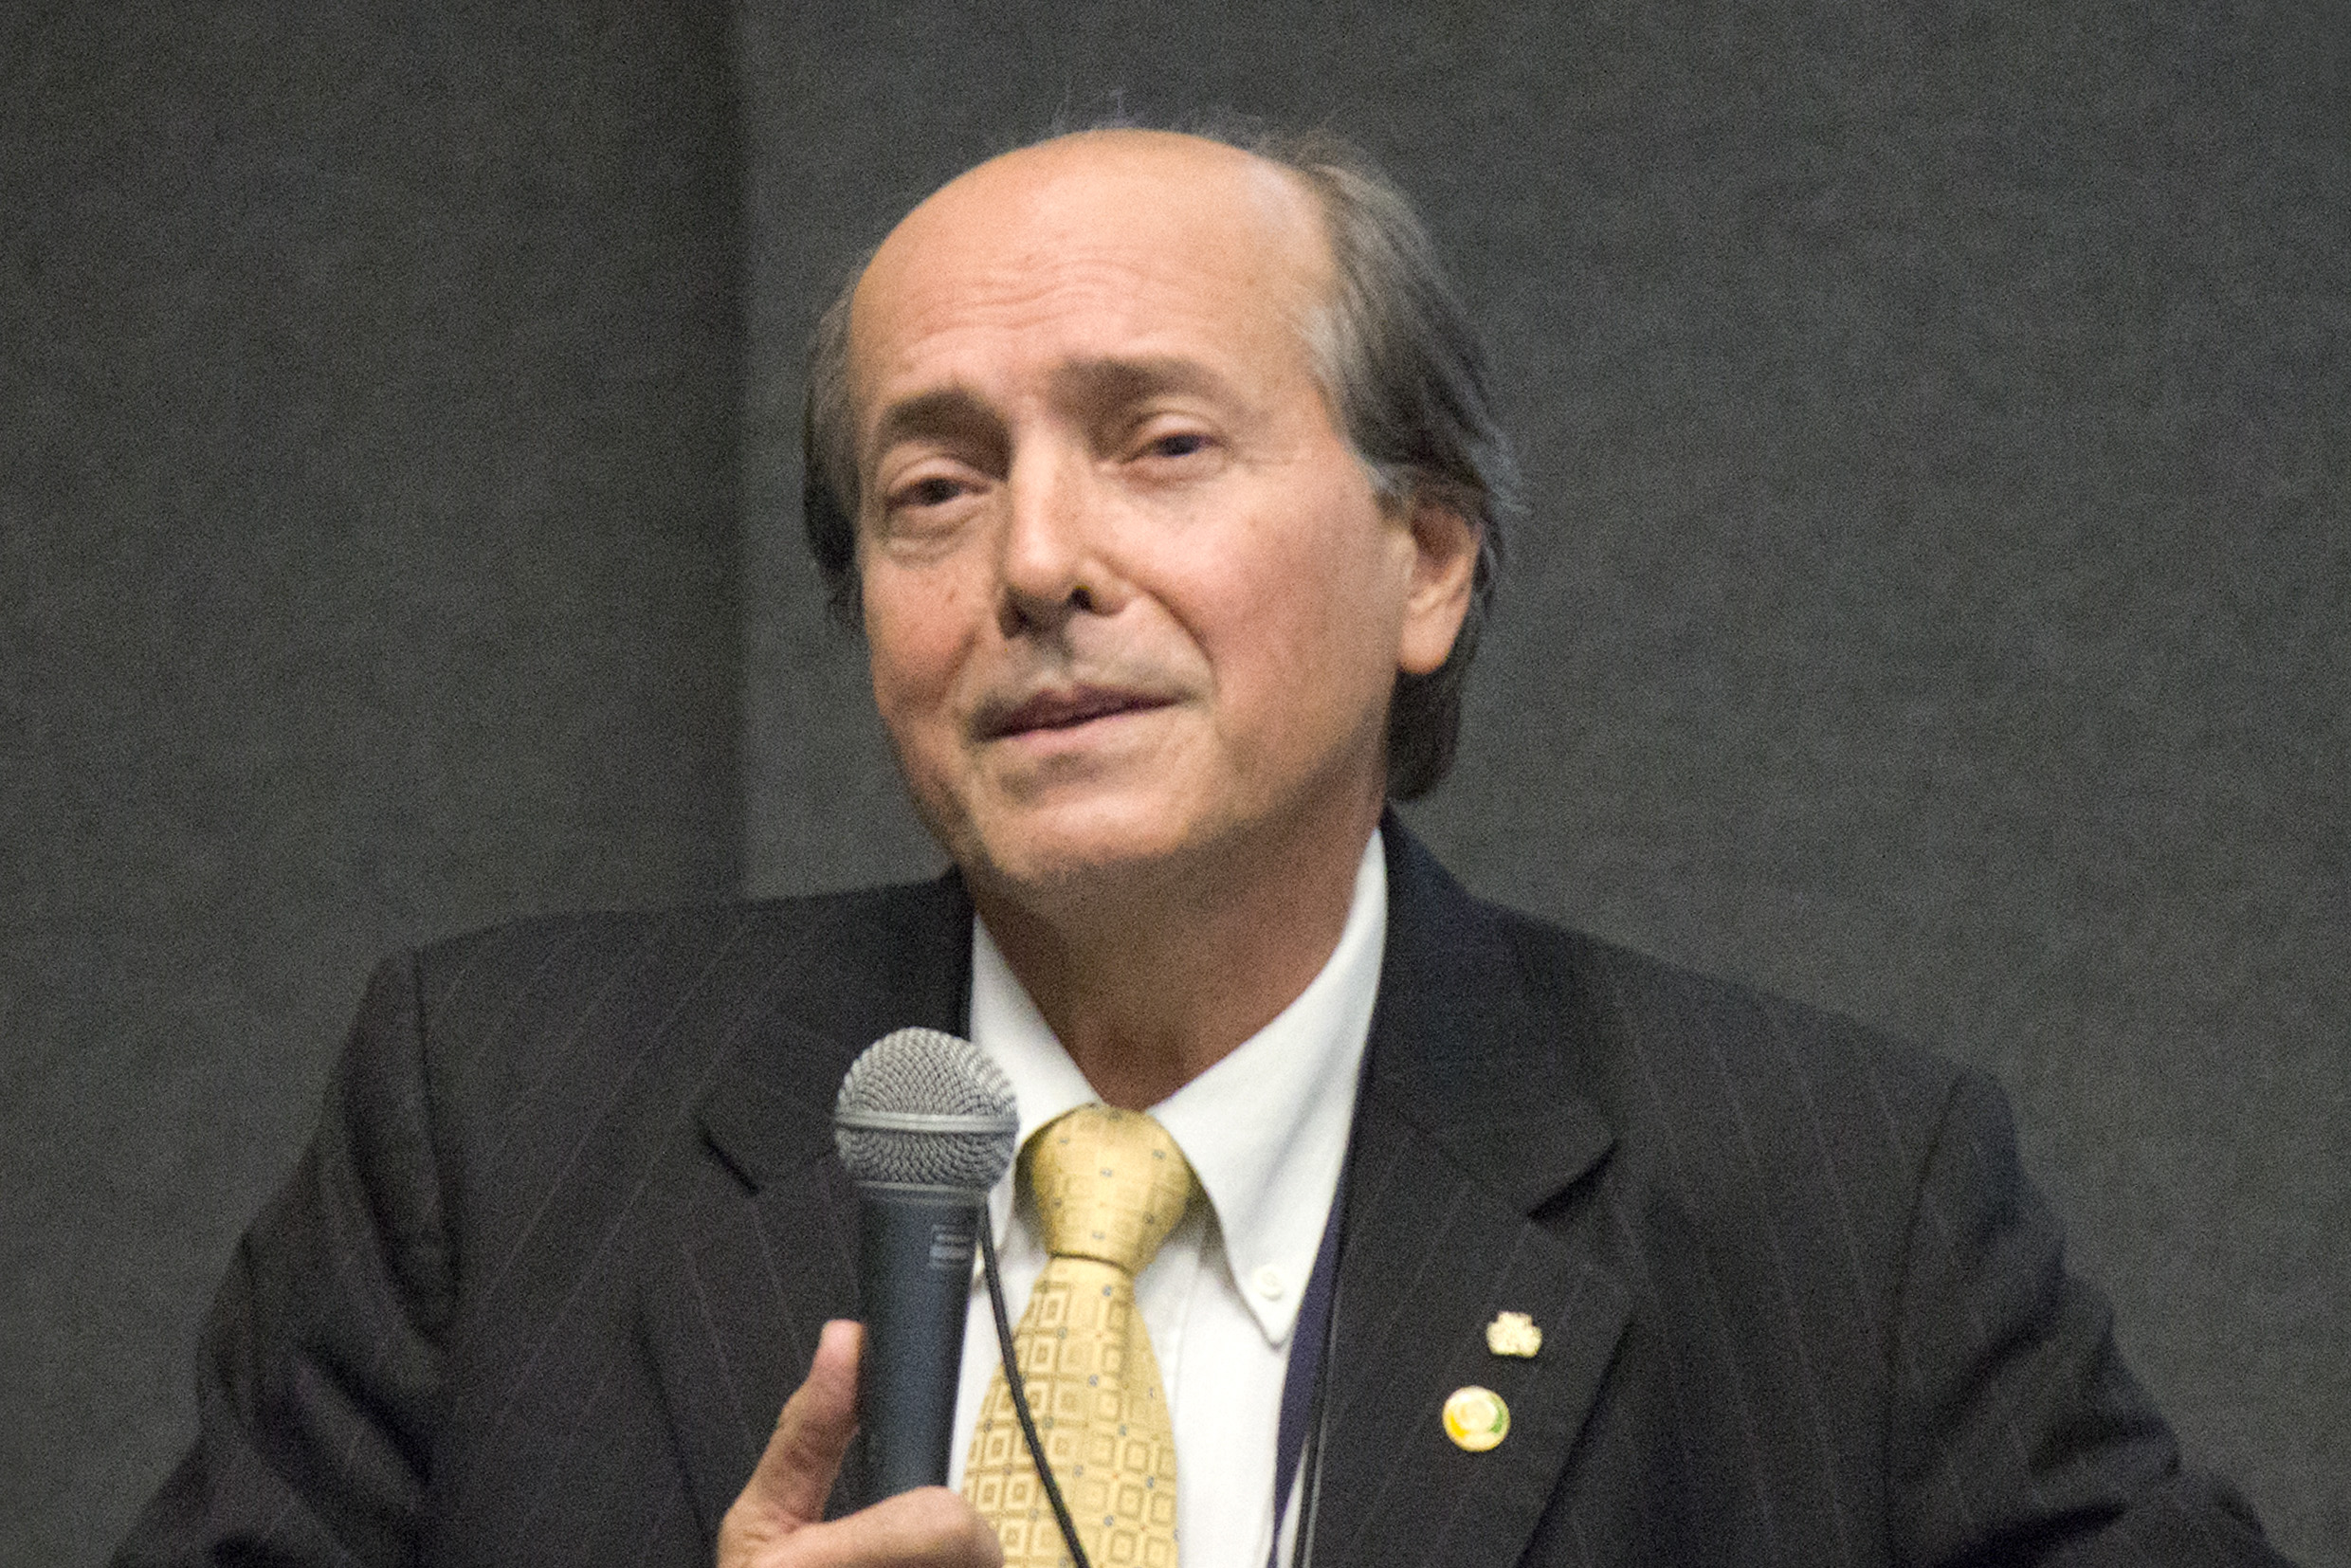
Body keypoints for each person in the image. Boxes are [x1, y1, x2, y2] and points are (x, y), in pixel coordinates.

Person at [117, 126, 2293, 1568]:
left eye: (1158, 442)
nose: (1035, 561)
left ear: (1423, 556)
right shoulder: (502, 1122)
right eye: (933, 488)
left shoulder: (1831, 1203)